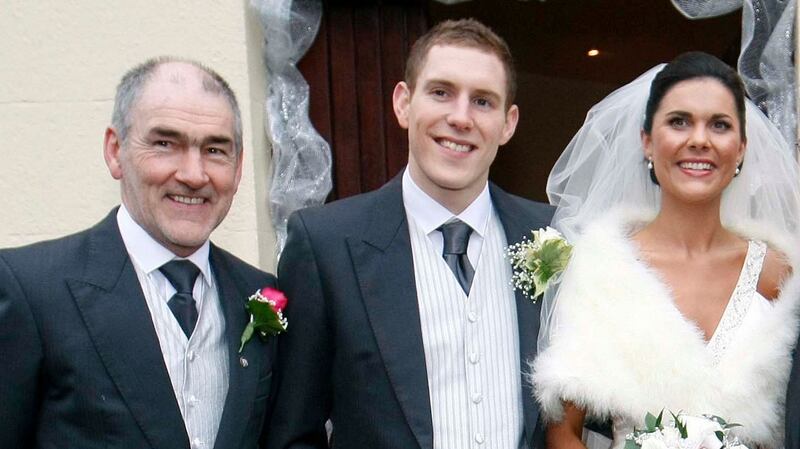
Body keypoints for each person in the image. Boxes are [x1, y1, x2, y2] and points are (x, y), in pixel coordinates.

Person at [265, 18, 553, 449]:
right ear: (403, 103)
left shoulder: (551, 237)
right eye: (441, 92)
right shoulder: (326, 245)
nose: (460, 117)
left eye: (483, 101)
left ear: (508, 123)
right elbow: (293, 434)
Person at [0, 57, 277, 449]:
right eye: (165, 143)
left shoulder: (261, 294)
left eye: (215, 150)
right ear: (115, 151)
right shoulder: (31, 289)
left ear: (239, 166)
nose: (194, 175)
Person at [532, 52, 800, 449]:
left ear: (741, 148)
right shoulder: (602, 269)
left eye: (720, 125)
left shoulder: (780, 274)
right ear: (647, 141)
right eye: (679, 121)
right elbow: (563, 430)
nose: (699, 139)